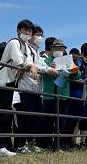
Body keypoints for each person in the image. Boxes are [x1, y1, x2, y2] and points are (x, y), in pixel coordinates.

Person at [0, 19, 38, 157]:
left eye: (29, 31)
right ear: (18, 30)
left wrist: (30, 65)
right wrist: (31, 67)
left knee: (4, 115)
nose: (27, 33)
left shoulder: (26, 46)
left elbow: (27, 61)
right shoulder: (14, 43)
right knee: (2, 115)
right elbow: (19, 61)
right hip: (1, 82)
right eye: (25, 30)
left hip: (10, 83)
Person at [15, 25, 58, 153]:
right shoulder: (26, 48)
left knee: (35, 118)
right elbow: (29, 64)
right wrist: (47, 69)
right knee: (26, 117)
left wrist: (51, 67)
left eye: (41, 35)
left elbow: (40, 65)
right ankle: (20, 145)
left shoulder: (36, 51)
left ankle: (30, 144)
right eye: (37, 34)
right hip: (26, 87)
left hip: (37, 88)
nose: (39, 37)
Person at [42, 39, 71, 150]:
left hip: (64, 95)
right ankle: (47, 144)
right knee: (48, 121)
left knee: (62, 121)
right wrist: (51, 69)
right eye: (57, 47)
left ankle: (59, 144)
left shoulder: (68, 60)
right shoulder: (46, 61)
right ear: (52, 48)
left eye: (61, 48)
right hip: (50, 95)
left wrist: (73, 70)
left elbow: (77, 75)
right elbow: (43, 76)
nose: (59, 50)